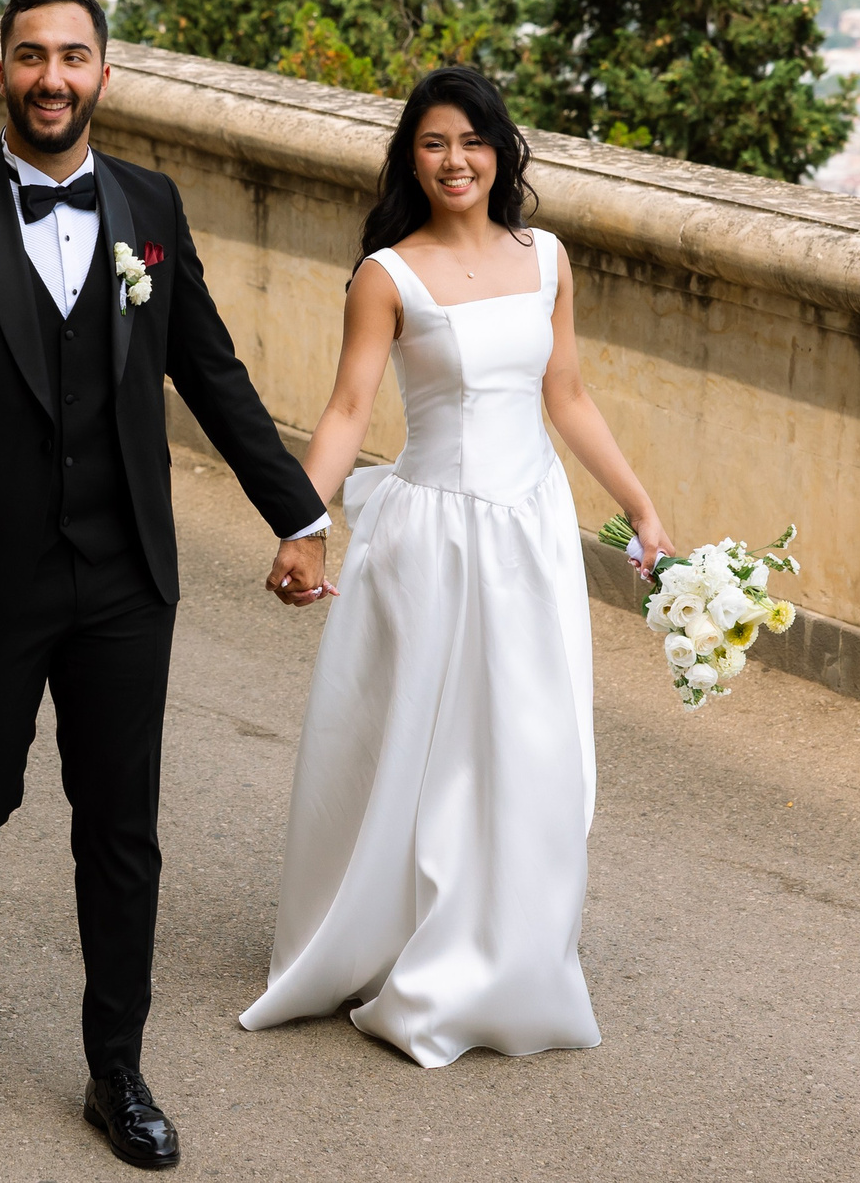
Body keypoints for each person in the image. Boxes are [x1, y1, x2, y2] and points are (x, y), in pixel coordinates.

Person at [0, 0, 334, 1168]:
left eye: (73, 56)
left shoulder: (149, 206)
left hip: (125, 576)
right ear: (0, 71)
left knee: (121, 827)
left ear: (104, 75)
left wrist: (298, 511)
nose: (52, 77)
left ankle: (115, 1067)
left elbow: (209, 371)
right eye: (31, 55)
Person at [238, 66, 672, 1068]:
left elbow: (567, 394)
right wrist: (300, 524)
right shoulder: (387, 275)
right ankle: (412, 949)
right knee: (429, 751)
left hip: (531, 535)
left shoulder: (547, 256)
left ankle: (511, 956)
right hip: (432, 540)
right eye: (432, 143)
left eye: (471, 140)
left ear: (500, 150)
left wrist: (640, 506)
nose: (454, 160)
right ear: (411, 159)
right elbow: (348, 408)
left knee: (531, 743)